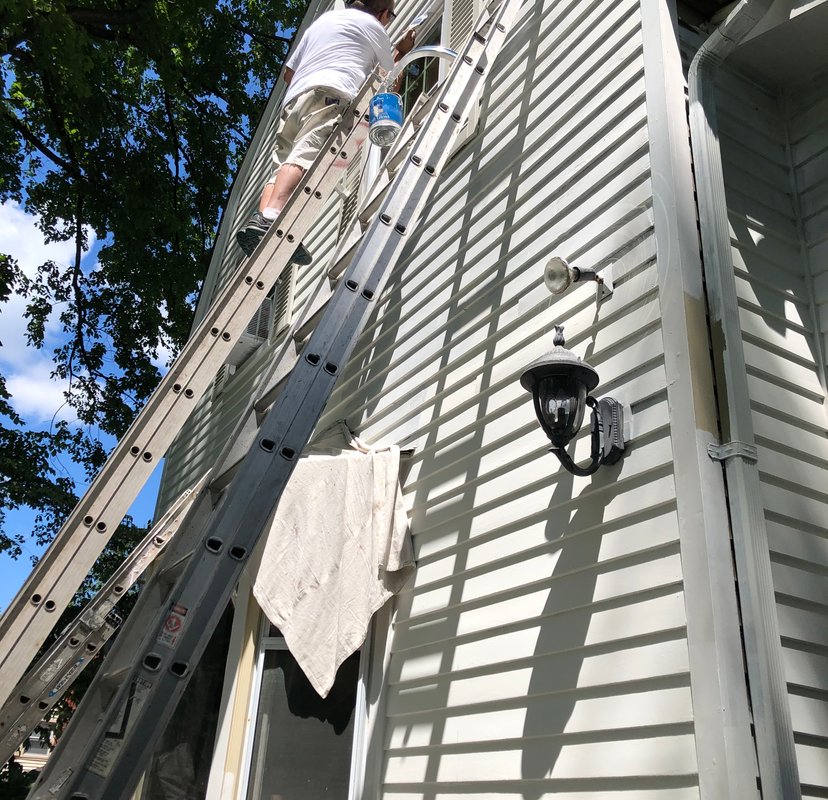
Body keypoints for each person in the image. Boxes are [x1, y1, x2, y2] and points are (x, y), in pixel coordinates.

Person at [236, 0, 416, 259]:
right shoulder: (373, 27)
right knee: (305, 154)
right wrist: (402, 50)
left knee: (282, 166)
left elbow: (289, 74)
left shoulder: (322, 23)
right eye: (389, 17)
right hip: (331, 93)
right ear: (384, 13)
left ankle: (262, 221)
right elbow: (390, 83)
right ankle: (272, 218)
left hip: (294, 102)